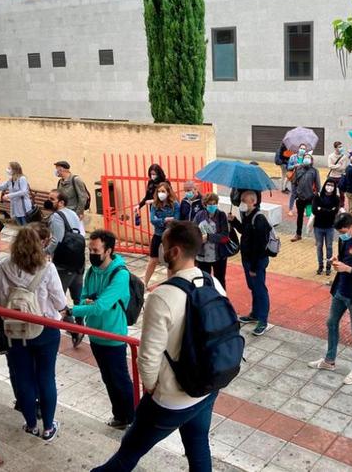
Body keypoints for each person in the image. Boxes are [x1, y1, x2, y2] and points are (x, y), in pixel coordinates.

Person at [92, 222, 223, 471]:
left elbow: (148, 357)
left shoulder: (163, 296)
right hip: (206, 387)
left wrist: (152, 389)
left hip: (171, 398)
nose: (160, 250)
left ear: (173, 252)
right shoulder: (212, 283)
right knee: (198, 446)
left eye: (163, 245)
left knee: (129, 451)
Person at [0, 227, 66, 441]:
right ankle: (48, 427)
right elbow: (59, 302)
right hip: (45, 329)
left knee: (23, 378)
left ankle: (30, 424)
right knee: (46, 376)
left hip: (14, 331)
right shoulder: (47, 269)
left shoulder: (1, 268)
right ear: (40, 245)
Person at [69, 230, 134, 429]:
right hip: (95, 334)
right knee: (107, 378)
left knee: (120, 379)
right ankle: (119, 416)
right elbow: (83, 297)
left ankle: (131, 417)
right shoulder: (91, 271)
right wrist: (85, 303)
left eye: (96, 250)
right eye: (90, 249)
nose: (92, 253)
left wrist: (71, 310)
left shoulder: (120, 274)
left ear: (109, 250)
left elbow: (100, 306)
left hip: (113, 336)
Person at [308, 213, 352, 385]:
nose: (341, 235)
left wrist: (348, 269)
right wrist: (336, 261)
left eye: (344, 231)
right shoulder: (344, 239)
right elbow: (344, 258)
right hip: (340, 290)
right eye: (339, 232)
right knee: (331, 323)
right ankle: (329, 360)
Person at [46, 189, 86, 347]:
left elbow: (57, 240)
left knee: (58, 298)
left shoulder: (57, 216)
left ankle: (74, 329)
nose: (49, 201)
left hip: (64, 263)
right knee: (78, 294)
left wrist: (45, 251)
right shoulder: (73, 213)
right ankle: (81, 322)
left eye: (52, 199)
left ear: (61, 202)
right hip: (78, 260)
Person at [228, 190, 271, 336]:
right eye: (241, 201)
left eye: (244, 201)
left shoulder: (259, 219)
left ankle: (263, 321)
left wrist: (253, 266)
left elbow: (260, 246)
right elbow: (245, 232)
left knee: (260, 289)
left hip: (256, 262)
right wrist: (234, 221)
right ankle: (255, 313)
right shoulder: (248, 216)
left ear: (253, 201)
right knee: (253, 287)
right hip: (247, 259)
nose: (241, 204)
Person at [143, 183, 179, 287]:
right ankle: (145, 283)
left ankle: (170, 284)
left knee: (170, 262)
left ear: (168, 192)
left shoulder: (175, 204)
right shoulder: (154, 204)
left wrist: (164, 220)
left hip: (170, 236)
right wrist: (165, 220)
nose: (160, 194)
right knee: (153, 260)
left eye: (163, 191)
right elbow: (152, 220)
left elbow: (176, 219)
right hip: (158, 235)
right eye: (159, 191)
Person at [194, 193, 230, 290]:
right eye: (210, 204)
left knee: (220, 280)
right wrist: (199, 238)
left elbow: (225, 237)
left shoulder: (221, 216)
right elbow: (193, 232)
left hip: (218, 255)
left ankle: (222, 300)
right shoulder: (199, 216)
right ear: (205, 205)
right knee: (205, 280)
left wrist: (209, 237)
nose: (213, 206)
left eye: (215, 203)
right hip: (203, 255)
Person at [312, 179, 340, 275]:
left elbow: (335, 212)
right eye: (328, 184)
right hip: (318, 226)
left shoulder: (336, 198)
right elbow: (314, 210)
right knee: (319, 246)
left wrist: (321, 209)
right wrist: (328, 210)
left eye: (332, 185)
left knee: (329, 247)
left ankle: (328, 266)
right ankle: (320, 265)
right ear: (325, 185)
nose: (329, 187)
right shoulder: (318, 196)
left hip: (329, 226)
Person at [291, 153, 320, 242]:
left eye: (309, 158)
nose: (307, 159)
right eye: (305, 157)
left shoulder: (314, 171)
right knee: (299, 216)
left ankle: (317, 237)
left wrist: (317, 194)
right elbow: (294, 182)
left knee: (315, 216)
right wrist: (295, 194)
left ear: (311, 161)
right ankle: (298, 234)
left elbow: (318, 184)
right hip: (300, 197)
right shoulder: (298, 169)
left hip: (311, 197)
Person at [0, 162, 32, 226]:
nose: (7, 170)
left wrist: (9, 195)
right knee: (20, 226)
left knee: (26, 226)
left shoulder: (22, 178)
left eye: (9, 168)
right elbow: (2, 187)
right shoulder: (11, 180)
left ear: (15, 169)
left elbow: (23, 191)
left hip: (23, 207)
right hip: (15, 207)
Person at [54, 161, 89, 230]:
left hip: (74, 213)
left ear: (62, 169)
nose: (55, 171)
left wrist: (79, 213)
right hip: (63, 213)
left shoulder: (75, 180)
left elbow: (83, 198)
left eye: (57, 169)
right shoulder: (60, 182)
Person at [287, 143, 309, 216]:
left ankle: (304, 210)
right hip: (295, 178)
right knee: (293, 194)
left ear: (305, 150)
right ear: (298, 149)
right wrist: (295, 165)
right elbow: (288, 167)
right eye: (301, 148)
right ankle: (290, 209)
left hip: (304, 179)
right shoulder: (293, 157)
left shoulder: (307, 158)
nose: (302, 150)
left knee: (303, 195)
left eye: (304, 149)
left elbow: (310, 168)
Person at [327, 141, 348, 207]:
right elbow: (330, 166)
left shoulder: (344, 157)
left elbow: (343, 167)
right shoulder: (331, 156)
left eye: (341, 146)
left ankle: (342, 205)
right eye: (339, 147)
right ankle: (331, 204)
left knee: (342, 193)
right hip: (332, 176)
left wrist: (335, 166)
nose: (341, 148)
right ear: (335, 148)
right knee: (331, 192)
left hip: (341, 177)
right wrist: (339, 165)